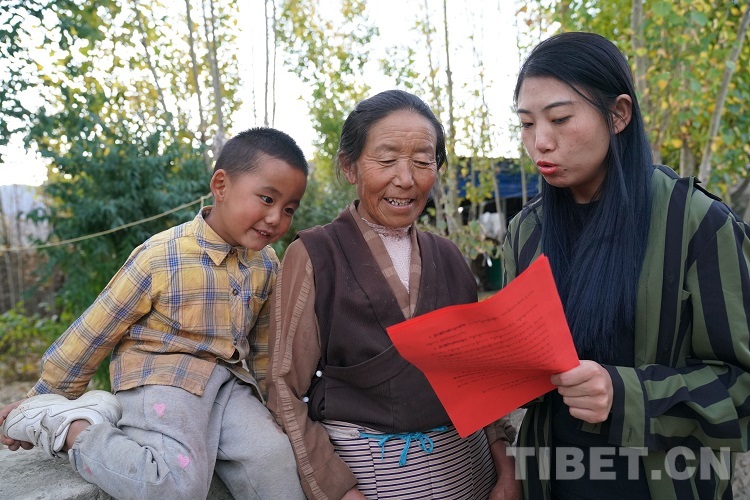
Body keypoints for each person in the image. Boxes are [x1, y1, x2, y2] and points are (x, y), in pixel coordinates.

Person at [503, 31, 750, 499]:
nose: (540, 142)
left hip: (664, 482)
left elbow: (741, 384)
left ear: (618, 115)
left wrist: (624, 394)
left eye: (559, 118)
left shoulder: (696, 224)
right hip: (554, 478)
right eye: (526, 124)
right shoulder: (526, 234)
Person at [1, 127, 309, 500]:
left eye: (289, 209)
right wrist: (40, 397)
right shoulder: (161, 256)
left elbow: (260, 346)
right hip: (161, 381)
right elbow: (95, 330)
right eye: (266, 199)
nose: (276, 218)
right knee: (176, 486)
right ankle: (69, 427)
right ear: (221, 185)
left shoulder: (266, 263)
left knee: (275, 461)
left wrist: (270, 407)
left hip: (229, 387)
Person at [267, 89, 520, 500]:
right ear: (349, 167)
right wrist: (338, 490)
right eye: (386, 160)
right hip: (372, 484)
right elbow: (282, 387)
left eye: (423, 161)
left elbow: (479, 381)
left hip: (471, 476)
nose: (406, 178)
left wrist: (507, 471)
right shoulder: (315, 255)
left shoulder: (450, 257)